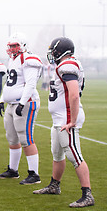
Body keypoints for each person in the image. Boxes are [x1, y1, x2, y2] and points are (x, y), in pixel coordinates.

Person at [33, 37, 94, 208]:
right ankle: (54, 185)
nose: (52, 53)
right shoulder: (65, 65)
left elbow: (74, 94)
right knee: (57, 154)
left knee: (75, 156)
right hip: (60, 118)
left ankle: (87, 194)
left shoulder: (68, 65)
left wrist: (72, 121)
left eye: (54, 50)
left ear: (61, 51)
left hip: (67, 119)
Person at [0, 32, 43, 185]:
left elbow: (30, 84)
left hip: (26, 102)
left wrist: (22, 102)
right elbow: (10, 83)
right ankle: (13, 170)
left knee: (25, 138)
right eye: (10, 46)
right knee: (12, 137)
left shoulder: (28, 59)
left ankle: (34, 174)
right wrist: (3, 99)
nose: (11, 49)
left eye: (15, 46)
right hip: (12, 103)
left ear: (23, 46)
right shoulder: (13, 60)